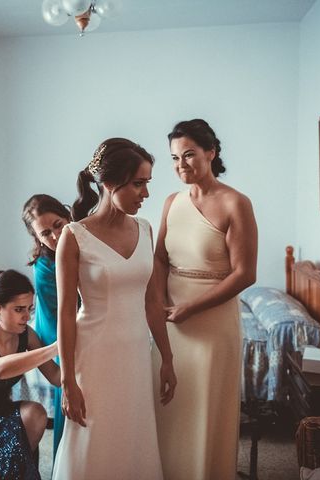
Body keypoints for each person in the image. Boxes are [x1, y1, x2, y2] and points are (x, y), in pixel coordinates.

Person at [52, 138, 176, 480]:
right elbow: (65, 311)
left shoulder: (145, 229)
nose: (145, 194)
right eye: (138, 183)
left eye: (147, 183)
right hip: (94, 356)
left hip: (136, 352)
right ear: (109, 183)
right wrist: (67, 382)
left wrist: (166, 357)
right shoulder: (74, 236)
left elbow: (152, 302)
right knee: (94, 437)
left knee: (132, 435)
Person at [151, 119, 258, 479]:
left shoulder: (235, 203)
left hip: (212, 321)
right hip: (171, 319)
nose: (181, 165)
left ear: (211, 152)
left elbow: (245, 273)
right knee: (171, 405)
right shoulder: (171, 202)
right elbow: (160, 258)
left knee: (206, 408)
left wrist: (189, 308)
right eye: (174, 158)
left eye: (190, 155)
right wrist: (158, 305)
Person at [0, 269, 61, 480]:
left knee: (36, 413)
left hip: (3, 412)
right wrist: (56, 347)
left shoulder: (26, 335)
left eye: (30, 309)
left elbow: (55, 377)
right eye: (19, 309)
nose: (27, 317)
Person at [21, 193, 71, 457]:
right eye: (45, 234)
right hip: (55, 328)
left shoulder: (87, 241)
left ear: (67, 217)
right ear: (37, 239)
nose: (54, 237)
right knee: (68, 386)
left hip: (85, 321)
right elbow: (60, 315)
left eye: (58, 225)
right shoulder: (44, 267)